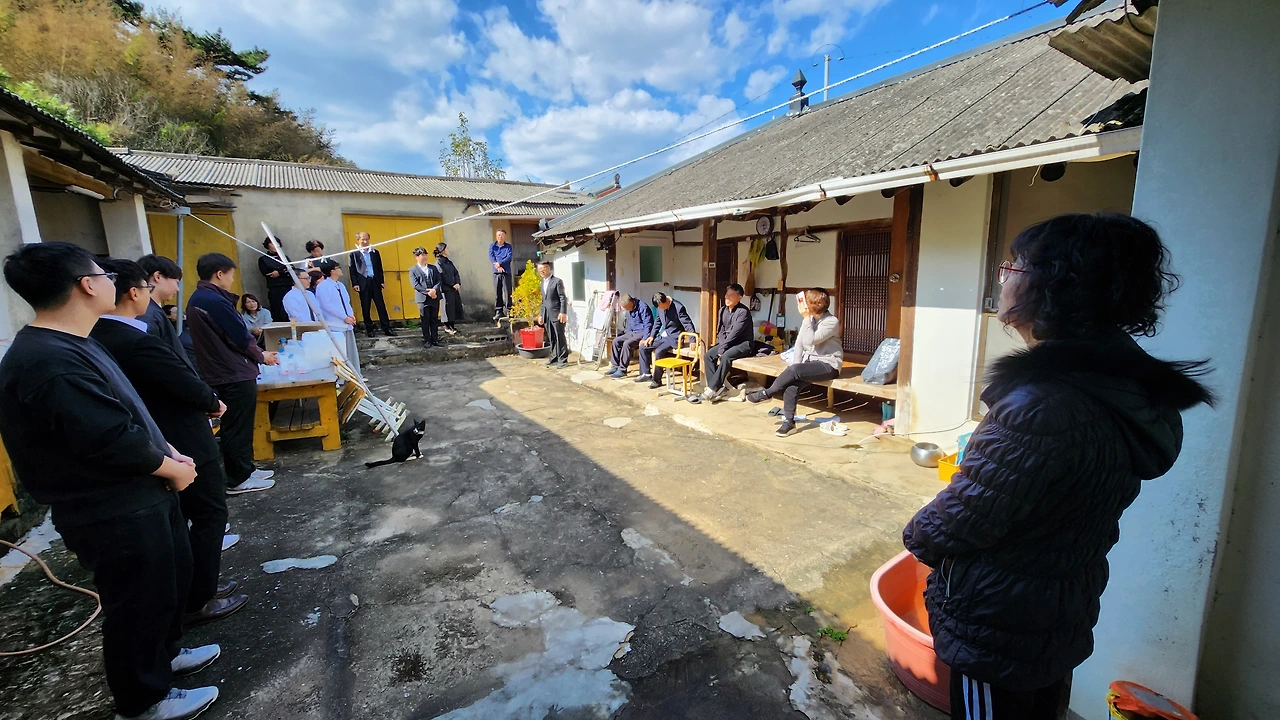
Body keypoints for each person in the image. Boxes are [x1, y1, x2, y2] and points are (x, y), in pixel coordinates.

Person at [901, 214, 1214, 720]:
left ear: (1052, 288)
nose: (1004, 277)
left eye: (1014, 266)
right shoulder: (1123, 389)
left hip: (998, 619)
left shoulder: (1041, 405)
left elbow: (961, 519)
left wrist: (918, 532)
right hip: (1059, 603)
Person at [0, 242, 218, 720]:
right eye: (104, 275)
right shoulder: (46, 361)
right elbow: (107, 438)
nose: (112, 282)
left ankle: (164, 657)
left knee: (165, 585)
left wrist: (168, 451)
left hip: (143, 492)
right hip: (111, 507)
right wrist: (173, 468)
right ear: (86, 285)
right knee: (136, 601)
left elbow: (128, 412)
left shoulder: (78, 341)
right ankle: (142, 701)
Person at [91, 258, 249, 628]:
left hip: (162, 440)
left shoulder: (100, 336)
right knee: (209, 513)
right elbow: (180, 377)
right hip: (179, 437)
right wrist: (211, 401)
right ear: (135, 292)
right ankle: (198, 597)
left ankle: (198, 584)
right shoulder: (134, 339)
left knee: (186, 519)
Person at [186, 253, 279, 495]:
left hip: (225, 369)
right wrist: (261, 355)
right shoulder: (213, 301)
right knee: (236, 426)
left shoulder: (202, 298)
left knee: (240, 425)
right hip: (231, 371)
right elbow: (238, 336)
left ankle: (246, 469)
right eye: (231, 275)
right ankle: (239, 478)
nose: (232, 279)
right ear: (220, 274)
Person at [735, 289, 841, 437]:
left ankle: (767, 393)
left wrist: (806, 318)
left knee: (794, 372)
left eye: (806, 302)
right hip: (810, 363)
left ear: (814, 304)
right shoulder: (810, 320)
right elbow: (799, 344)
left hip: (828, 364)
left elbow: (811, 340)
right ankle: (789, 423)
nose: (802, 305)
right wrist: (795, 367)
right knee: (792, 385)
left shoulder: (831, 321)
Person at [137, 254, 199, 369]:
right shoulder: (148, 315)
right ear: (158, 277)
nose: (177, 289)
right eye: (176, 282)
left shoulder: (151, 311)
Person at [702, 283, 754, 401]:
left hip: (743, 343)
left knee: (726, 356)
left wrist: (723, 349)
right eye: (727, 294)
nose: (727, 297)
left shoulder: (743, 312)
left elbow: (734, 333)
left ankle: (712, 388)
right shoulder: (722, 310)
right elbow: (720, 331)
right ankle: (718, 388)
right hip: (727, 343)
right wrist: (722, 346)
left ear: (739, 297)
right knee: (708, 355)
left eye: (731, 295)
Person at [637, 292, 694, 389]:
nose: (661, 309)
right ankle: (646, 374)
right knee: (643, 346)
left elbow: (687, 323)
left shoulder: (678, 307)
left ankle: (657, 380)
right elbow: (657, 322)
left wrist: (693, 340)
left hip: (674, 337)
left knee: (659, 351)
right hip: (663, 335)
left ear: (666, 301)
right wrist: (652, 336)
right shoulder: (660, 307)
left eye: (662, 307)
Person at [315, 262, 361, 376]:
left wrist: (350, 315)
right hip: (335, 323)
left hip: (347, 322)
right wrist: (344, 317)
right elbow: (327, 306)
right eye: (338, 268)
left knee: (349, 350)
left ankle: (354, 374)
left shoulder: (340, 285)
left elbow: (346, 301)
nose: (340, 270)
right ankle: (341, 376)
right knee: (338, 352)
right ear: (332, 271)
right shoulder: (323, 286)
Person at [348, 231, 395, 337]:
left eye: (367, 239)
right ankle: (369, 329)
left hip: (375, 281)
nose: (365, 241)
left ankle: (387, 328)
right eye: (363, 239)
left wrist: (381, 281)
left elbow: (379, 268)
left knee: (381, 306)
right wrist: (355, 283)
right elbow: (352, 270)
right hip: (363, 283)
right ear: (358, 240)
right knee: (366, 306)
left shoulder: (374, 252)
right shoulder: (354, 254)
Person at [605, 294, 653, 378]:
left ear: (631, 302)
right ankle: (615, 366)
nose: (626, 309)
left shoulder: (643, 307)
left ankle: (622, 370)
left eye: (626, 307)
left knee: (627, 343)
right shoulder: (630, 308)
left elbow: (648, 324)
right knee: (616, 341)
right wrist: (627, 334)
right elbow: (630, 324)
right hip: (633, 332)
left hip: (642, 332)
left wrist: (645, 338)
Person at [536, 260, 568, 367]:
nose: (541, 271)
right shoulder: (542, 283)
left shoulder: (557, 281)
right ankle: (554, 357)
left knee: (560, 337)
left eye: (543, 268)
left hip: (557, 314)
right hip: (547, 315)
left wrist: (563, 312)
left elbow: (562, 297)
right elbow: (543, 301)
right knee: (552, 337)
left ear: (548, 268)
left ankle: (563, 360)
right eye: (539, 269)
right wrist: (541, 314)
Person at [410, 246, 443, 348]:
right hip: (423, 299)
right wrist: (427, 292)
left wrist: (434, 290)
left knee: (434, 319)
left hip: (434, 297)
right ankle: (427, 340)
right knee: (425, 320)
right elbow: (415, 285)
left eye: (425, 255)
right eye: (422, 255)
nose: (424, 257)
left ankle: (435, 339)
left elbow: (439, 280)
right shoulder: (413, 270)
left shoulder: (433, 268)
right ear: (417, 257)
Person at [257, 237, 292, 322]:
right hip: (275, 287)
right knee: (277, 309)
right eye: (272, 243)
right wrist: (283, 271)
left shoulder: (284, 257)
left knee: (289, 308)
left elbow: (291, 269)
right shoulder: (263, 259)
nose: (275, 246)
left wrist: (279, 272)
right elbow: (266, 273)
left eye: (277, 243)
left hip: (288, 286)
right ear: (267, 245)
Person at [434, 242, 463, 335]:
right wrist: (452, 284)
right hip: (445, 289)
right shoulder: (438, 263)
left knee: (453, 307)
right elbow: (442, 275)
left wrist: (457, 282)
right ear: (442, 250)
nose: (448, 250)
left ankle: (452, 326)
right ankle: (447, 326)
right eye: (446, 248)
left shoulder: (448, 262)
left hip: (453, 288)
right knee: (447, 308)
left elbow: (455, 272)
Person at [489, 228, 513, 321]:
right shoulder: (492, 246)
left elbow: (509, 257)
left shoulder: (508, 247)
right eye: (499, 235)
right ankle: (499, 311)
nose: (500, 237)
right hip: (496, 272)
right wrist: (497, 266)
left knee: (508, 292)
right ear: (496, 236)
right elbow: (491, 257)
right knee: (497, 293)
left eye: (502, 235)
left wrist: (500, 263)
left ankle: (509, 311)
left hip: (506, 272)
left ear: (505, 236)